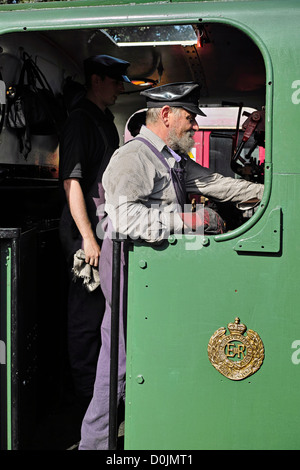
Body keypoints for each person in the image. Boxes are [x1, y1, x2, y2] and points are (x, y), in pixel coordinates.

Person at [79, 82, 264, 450]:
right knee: (119, 362)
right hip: (129, 270)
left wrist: (270, 192)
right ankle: (95, 444)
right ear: (166, 115)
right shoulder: (133, 157)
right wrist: (190, 219)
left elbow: (217, 184)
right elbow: (127, 219)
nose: (194, 126)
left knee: (143, 354)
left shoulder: (171, 159)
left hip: (154, 276)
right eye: (190, 118)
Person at [58, 54, 131, 413]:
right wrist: (87, 238)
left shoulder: (105, 120)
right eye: (116, 81)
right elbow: (72, 182)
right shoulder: (80, 121)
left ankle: (100, 394)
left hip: (102, 232)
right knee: (86, 314)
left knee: (101, 312)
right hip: (83, 235)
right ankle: (86, 396)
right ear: (97, 80)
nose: (120, 88)